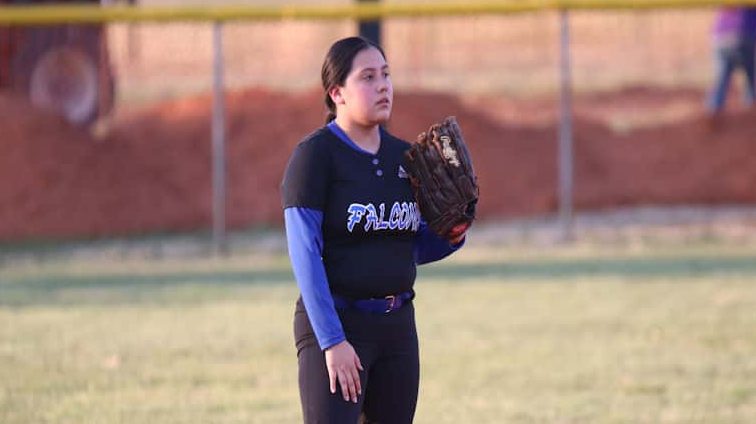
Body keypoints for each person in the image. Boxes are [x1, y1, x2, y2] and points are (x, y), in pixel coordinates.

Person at [281, 36, 467, 423]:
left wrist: (453, 234)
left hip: (397, 328)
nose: (383, 86)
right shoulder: (315, 157)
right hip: (337, 325)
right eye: (367, 77)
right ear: (337, 93)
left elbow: (406, 246)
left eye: (386, 75)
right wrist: (332, 341)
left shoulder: (405, 158)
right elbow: (305, 254)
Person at [707, 7, 756, 119]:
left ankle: (714, 111)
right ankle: (751, 111)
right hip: (744, 33)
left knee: (721, 79)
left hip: (721, 36)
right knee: (751, 78)